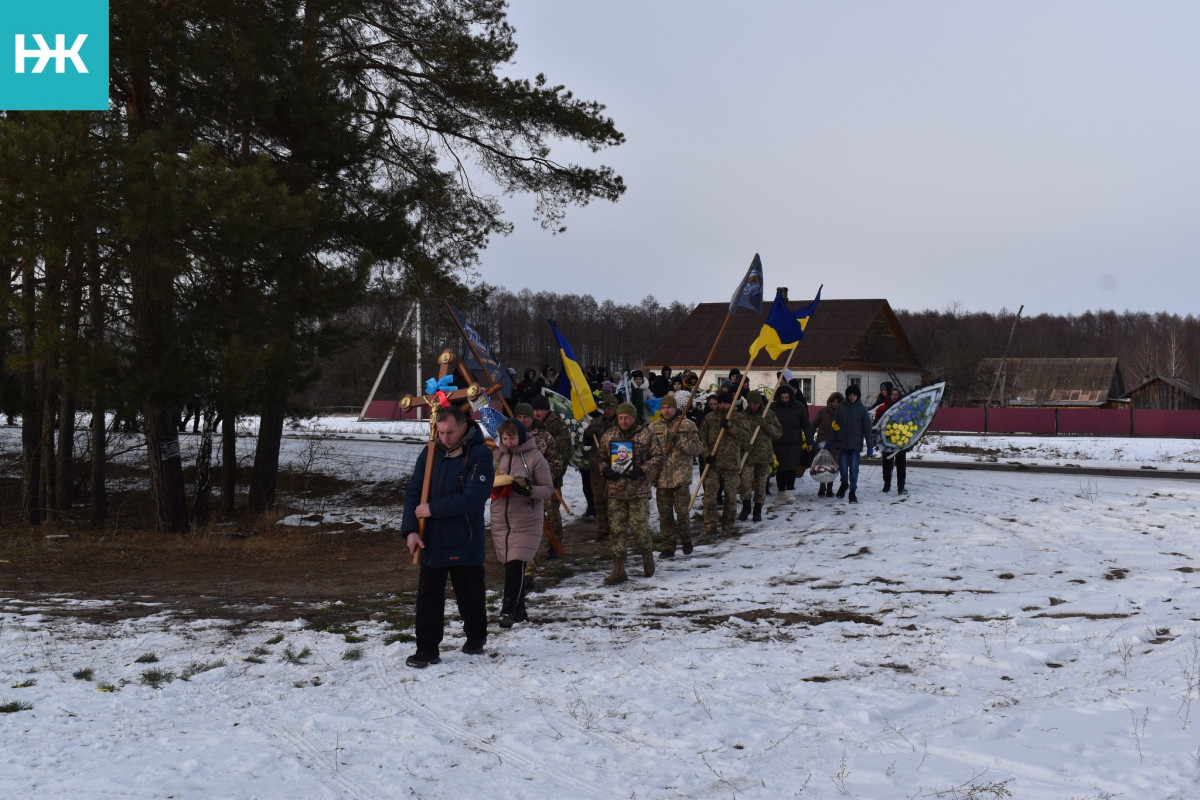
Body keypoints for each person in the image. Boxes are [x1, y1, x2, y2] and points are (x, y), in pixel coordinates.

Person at [402, 404, 494, 668]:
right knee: (428, 596)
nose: (445, 438)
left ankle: (476, 636)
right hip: (431, 540)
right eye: (440, 433)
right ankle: (427, 649)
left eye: (450, 432)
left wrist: (433, 509)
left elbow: (474, 498)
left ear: (464, 426)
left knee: (470, 594)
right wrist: (410, 530)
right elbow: (414, 494)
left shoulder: (480, 454)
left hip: (465, 537)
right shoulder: (430, 452)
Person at [490, 418, 553, 628]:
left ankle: (507, 610)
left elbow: (548, 489)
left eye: (512, 438)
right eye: (505, 438)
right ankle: (520, 610)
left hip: (526, 518)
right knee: (510, 565)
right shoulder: (496, 456)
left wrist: (528, 490)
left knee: (517, 562)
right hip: (501, 518)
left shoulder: (534, 457)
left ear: (522, 436)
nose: (508, 442)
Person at [598, 402, 664, 584]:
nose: (623, 421)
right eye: (620, 418)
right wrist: (604, 469)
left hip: (638, 492)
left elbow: (658, 457)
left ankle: (647, 556)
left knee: (639, 528)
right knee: (617, 531)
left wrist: (643, 470)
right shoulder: (609, 435)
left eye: (626, 417)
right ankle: (618, 568)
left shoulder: (646, 434)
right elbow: (601, 457)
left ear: (634, 418)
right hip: (615, 491)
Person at [650, 393, 703, 557]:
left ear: (675, 408)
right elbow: (648, 452)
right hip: (662, 478)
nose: (666, 411)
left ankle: (686, 538)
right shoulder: (653, 428)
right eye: (664, 407)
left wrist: (679, 440)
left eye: (669, 408)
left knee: (682, 512)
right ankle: (668, 546)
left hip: (681, 477)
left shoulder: (687, 425)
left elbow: (697, 449)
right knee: (665, 515)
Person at [698, 391, 751, 536]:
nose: (722, 406)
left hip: (731, 465)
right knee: (710, 497)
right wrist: (706, 455)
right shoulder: (709, 418)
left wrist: (730, 427)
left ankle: (728, 525)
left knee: (730, 497)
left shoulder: (738, 418)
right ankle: (710, 525)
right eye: (720, 403)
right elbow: (701, 439)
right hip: (713, 465)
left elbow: (747, 436)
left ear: (731, 403)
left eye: (725, 403)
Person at [530, 394, 572, 557]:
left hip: (552, 477)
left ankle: (555, 544)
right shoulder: (531, 425)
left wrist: (553, 474)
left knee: (552, 512)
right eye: (534, 409)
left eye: (540, 409)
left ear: (547, 409)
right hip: (533, 479)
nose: (536, 413)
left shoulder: (556, 425)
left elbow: (564, 451)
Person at [735, 390, 782, 522]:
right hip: (747, 456)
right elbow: (736, 435)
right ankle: (746, 506)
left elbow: (778, 433)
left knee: (761, 485)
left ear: (760, 403)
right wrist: (743, 445)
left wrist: (765, 425)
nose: (752, 406)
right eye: (750, 403)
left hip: (764, 456)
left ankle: (758, 509)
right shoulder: (742, 416)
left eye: (755, 404)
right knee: (745, 482)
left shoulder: (769, 414)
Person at [584, 393, 620, 541]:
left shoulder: (620, 422)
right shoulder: (596, 422)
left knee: (614, 499)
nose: (607, 411)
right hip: (596, 466)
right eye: (605, 408)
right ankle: (603, 528)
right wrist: (587, 433)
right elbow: (586, 443)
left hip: (614, 466)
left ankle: (616, 528)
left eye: (610, 408)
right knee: (599, 498)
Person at [771, 384, 814, 504]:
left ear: (791, 397)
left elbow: (806, 424)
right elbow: (768, 424)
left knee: (791, 467)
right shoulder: (774, 407)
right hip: (778, 442)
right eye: (782, 397)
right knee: (780, 468)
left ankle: (789, 492)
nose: (785, 400)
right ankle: (780, 493)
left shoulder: (798, 406)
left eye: (787, 397)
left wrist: (810, 441)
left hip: (794, 442)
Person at [832, 385, 874, 504]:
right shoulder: (841, 408)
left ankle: (852, 492)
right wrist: (831, 441)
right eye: (850, 395)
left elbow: (867, 428)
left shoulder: (862, 410)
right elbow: (834, 426)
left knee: (854, 469)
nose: (852, 397)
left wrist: (870, 445)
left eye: (854, 395)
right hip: (843, 444)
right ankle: (844, 484)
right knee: (843, 468)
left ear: (857, 396)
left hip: (855, 445)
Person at [876, 384, 908, 494]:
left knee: (901, 465)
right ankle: (887, 484)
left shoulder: (904, 409)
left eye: (896, 394)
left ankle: (901, 486)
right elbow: (877, 424)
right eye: (892, 394)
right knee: (887, 464)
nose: (894, 396)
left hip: (900, 441)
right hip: (886, 441)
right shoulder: (882, 408)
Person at [812, 392, 843, 498]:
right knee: (822, 465)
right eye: (833, 402)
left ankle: (829, 488)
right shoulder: (822, 411)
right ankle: (822, 486)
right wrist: (810, 440)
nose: (835, 404)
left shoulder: (842, 413)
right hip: (822, 443)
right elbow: (813, 425)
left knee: (832, 466)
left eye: (838, 402)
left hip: (835, 444)